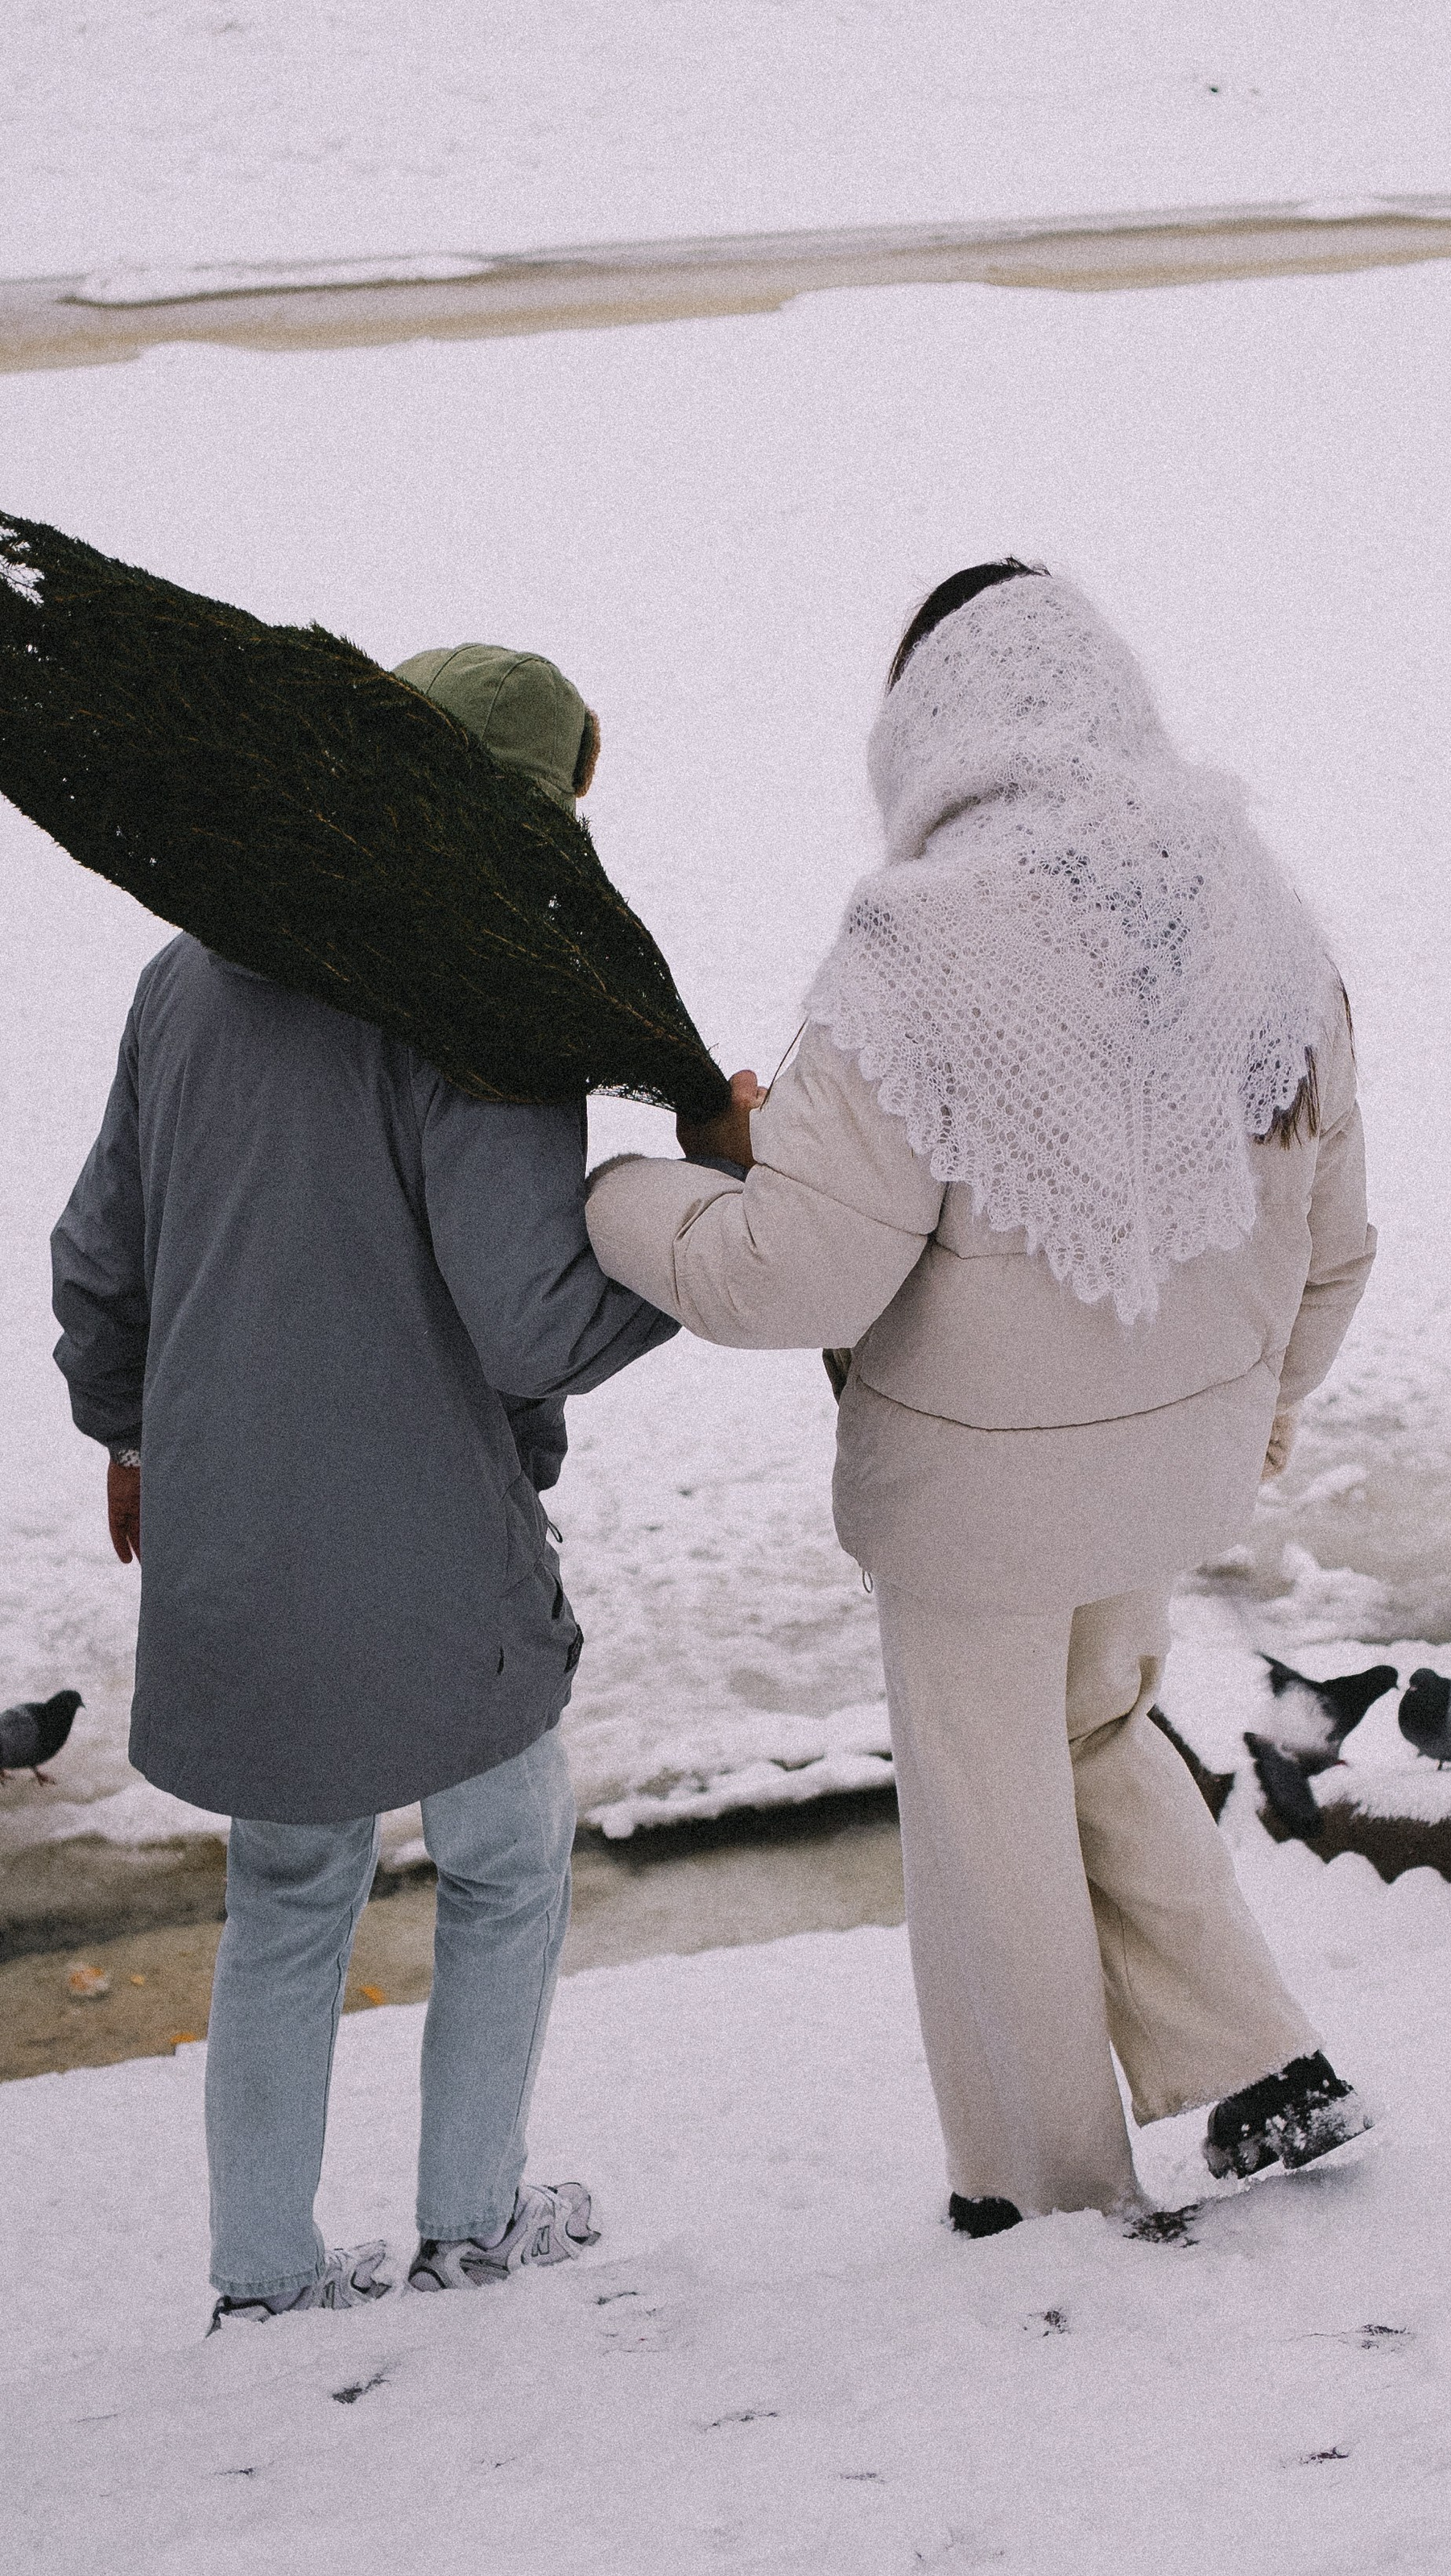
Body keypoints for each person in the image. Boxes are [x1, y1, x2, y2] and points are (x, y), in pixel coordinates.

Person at [586, 564, 1377, 2231]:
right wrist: (1259, 1408)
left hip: (972, 1503)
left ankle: (1037, 2188)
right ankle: (1259, 2061)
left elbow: (790, 1277)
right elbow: (1330, 1237)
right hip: (1177, 1466)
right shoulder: (1259, 912)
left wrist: (611, 1196)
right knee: (1095, 1720)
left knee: (985, 1795)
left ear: (925, 729)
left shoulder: (913, 948)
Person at [52, 643, 678, 2331]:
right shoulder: (480, 1004)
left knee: (287, 1896)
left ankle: (264, 2277)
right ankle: (469, 2224)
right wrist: (708, 1242)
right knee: (500, 1865)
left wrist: (130, 1435)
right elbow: (529, 1315)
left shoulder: (190, 969)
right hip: (426, 1559)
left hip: (235, 1546)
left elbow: (100, 1254)